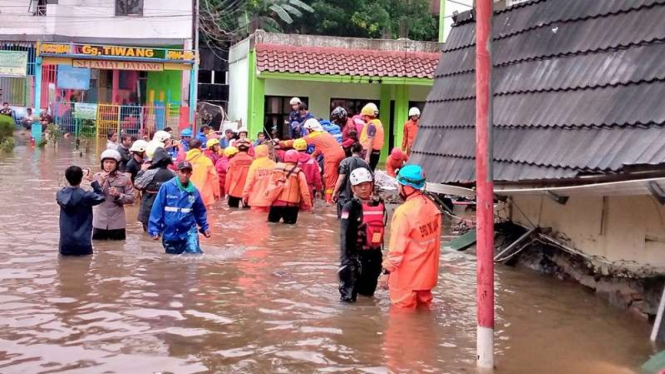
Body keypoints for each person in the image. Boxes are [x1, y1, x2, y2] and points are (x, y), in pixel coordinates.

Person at [380, 165, 442, 309]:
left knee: (401, 323)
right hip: (426, 278)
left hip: (406, 280)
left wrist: (386, 272)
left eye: (399, 185)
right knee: (423, 314)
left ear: (406, 186)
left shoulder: (404, 213)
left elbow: (397, 249)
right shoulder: (432, 208)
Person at [339, 168, 386, 302]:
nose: (364, 188)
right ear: (353, 188)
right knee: (348, 297)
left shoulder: (379, 204)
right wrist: (345, 261)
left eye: (366, 184)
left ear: (371, 185)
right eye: (359, 186)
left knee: (368, 294)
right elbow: (344, 234)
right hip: (355, 256)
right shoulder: (349, 207)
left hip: (374, 255)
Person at [149, 161, 211, 254]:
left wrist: (204, 228)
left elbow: (200, 211)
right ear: (177, 172)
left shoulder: (194, 191)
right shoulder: (166, 187)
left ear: (191, 174)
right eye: (182, 172)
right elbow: (157, 209)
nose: (185, 175)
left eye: (187, 172)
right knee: (173, 259)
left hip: (189, 231)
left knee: (194, 255)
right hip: (170, 232)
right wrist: (154, 230)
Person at [278, 118, 345, 204]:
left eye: (307, 130)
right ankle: (334, 198)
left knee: (329, 179)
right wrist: (312, 156)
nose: (306, 131)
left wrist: (280, 143)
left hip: (331, 157)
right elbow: (320, 148)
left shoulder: (314, 136)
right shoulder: (324, 133)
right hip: (341, 154)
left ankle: (329, 201)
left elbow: (297, 141)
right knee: (335, 178)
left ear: (311, 129)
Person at [56, 166, 106, 256]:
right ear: (81, 178)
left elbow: (65, 189)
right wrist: (93, 181)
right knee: (84, 267)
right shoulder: (86, 196)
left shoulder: (60, 194)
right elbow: (101, 197)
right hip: (83, 243)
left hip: (65, 244)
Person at [92, 149, 135, 240]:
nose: (108, 165)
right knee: (98, 248)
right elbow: (93, 198)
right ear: (102, 163)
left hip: (117, 222)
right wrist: (100, 183)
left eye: (112, 162)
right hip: (100, 221)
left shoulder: (124, 178)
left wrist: (118, 195)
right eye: (106, 162)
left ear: (117, 164)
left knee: (118, 248)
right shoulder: (97, 176)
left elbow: (131, 198)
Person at [135, 148, 176, 232]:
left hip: (148, 209)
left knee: (149, 234)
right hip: (167, 210)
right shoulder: (173, 174)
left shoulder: (150, 173)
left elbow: (137, 184)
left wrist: (142, 170)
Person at [266, 150, 311, 224]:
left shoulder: (276, 169)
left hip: (276, 204)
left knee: (272, 227)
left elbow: (270, 186)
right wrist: (308, 205)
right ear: (297, 160)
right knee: (290, 230)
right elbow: (305, 191)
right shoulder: (298, 172)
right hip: (291, 206)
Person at [332, 142, 372, 218]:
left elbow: (341, 179)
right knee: (358, 220)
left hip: (344, 198)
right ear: (361, 151)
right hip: (360, 199)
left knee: (344, 219)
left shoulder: (345, 162)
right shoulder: (365, 164)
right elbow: (371, 181)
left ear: (351, 150)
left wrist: (335, 192)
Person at [185, 138, 220, 208]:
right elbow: (214, 178)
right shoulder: (206, 160)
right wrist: (216, 193)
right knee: (205, 216)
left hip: (188, 194)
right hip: (204, 195)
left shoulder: (184, 161)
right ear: (200, 147)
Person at [242, 144, 276, 212]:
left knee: (255, 221)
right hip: (270, 199)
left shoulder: (255, 164)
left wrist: (245, 195)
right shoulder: (273, 164)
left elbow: (249, 181)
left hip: (256, 200)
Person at [293, 138, 322, 207]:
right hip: (308, 189)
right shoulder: (312, 160)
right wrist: (318, 190)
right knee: (307, 209)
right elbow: (317, 177)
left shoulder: (291, 159)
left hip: (294, 188)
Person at [225, 139, 254, 208]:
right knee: (248, 213)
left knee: (232, 212)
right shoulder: (253, 160)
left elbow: (228, 177)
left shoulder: (232, 160)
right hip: (248, 191)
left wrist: (227, 191)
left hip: (234, 190)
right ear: (248, 148)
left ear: (237, 148)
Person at [359, 103, 384, 171]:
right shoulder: (378, 123)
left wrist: (367, 156)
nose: (363, 118)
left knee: (366, 172)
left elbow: (371, 141)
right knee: (371, 171)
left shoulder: (371, 125)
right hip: (376, 152)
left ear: (367, 116)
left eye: (364, 116)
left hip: (369, 152)